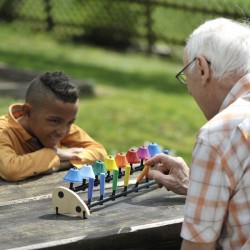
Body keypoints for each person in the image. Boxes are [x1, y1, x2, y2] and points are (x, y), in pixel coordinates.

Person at [145, 18, 250, 250]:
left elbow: (198, 247)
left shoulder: (218, 134)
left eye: (186, 77)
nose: (190, 91)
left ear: (202, 68)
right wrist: (193, 184)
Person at [0, 71, 107, 181]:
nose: (62, 131)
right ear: (28, 112)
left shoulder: (61, 124)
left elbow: (99, 152)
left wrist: (59, 164)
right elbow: (11, 170)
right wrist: (55, 153)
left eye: (70, 122)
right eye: (54, 121)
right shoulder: (3, 131)